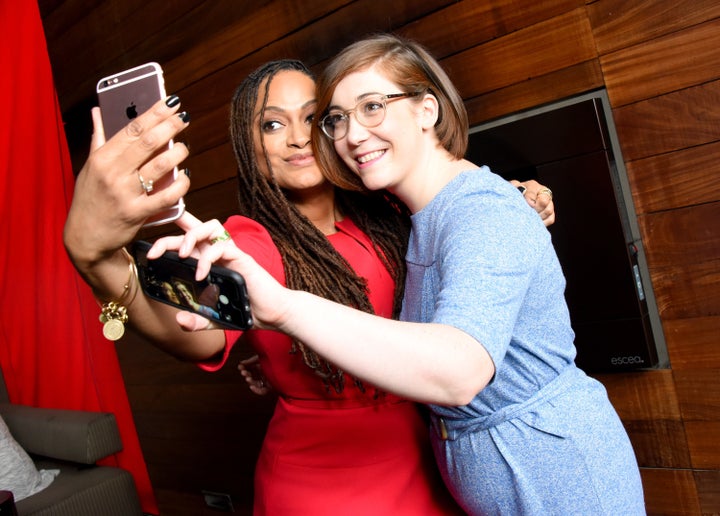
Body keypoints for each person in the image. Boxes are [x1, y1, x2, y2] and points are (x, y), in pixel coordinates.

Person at [155, 35, 645, 515]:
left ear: (427, 110)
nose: (350, 134)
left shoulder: (474, 211)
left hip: (550, 469)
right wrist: (284, 357)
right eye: (339, 119)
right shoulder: (415, 215)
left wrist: (285, 312)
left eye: (372, 107)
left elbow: (458, 370)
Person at [64, 58, 555, 515]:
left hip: (438, 456)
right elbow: (198, 334)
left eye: (314, 118)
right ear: (249, 147)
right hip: (324, 484)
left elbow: (455, 242)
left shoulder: (389, 214)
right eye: (273, 124)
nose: (298, 139)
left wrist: (509, 197)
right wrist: (100, 261)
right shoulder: (251, 241)